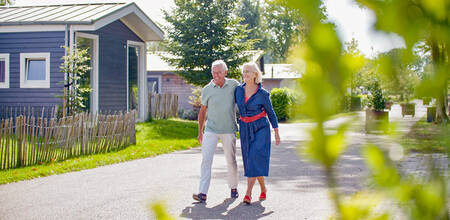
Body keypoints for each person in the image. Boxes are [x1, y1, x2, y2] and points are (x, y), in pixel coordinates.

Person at [193, 60, 240, 203]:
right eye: (214, 72)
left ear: (226, 72)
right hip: (211, 130)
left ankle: (233, 187)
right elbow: (202, 111)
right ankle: (202, 193)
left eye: (219, 72)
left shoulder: (234, 85)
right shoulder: (207, 89)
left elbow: (243, 101)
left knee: (231, 161)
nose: (216, 75)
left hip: (229, 129)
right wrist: (200, 131)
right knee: (206, 160)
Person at [234, 62, 280, 205]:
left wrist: (276, 132)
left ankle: (248, 193)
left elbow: (271, 113)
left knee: (254, 157)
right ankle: (263, 188)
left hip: (261, 128)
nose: (245, 74)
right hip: (245, 128)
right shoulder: (238, 91)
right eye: (244, 71)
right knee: (250, 160)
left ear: (255, 74)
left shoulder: (263, 94)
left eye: (248, 71)